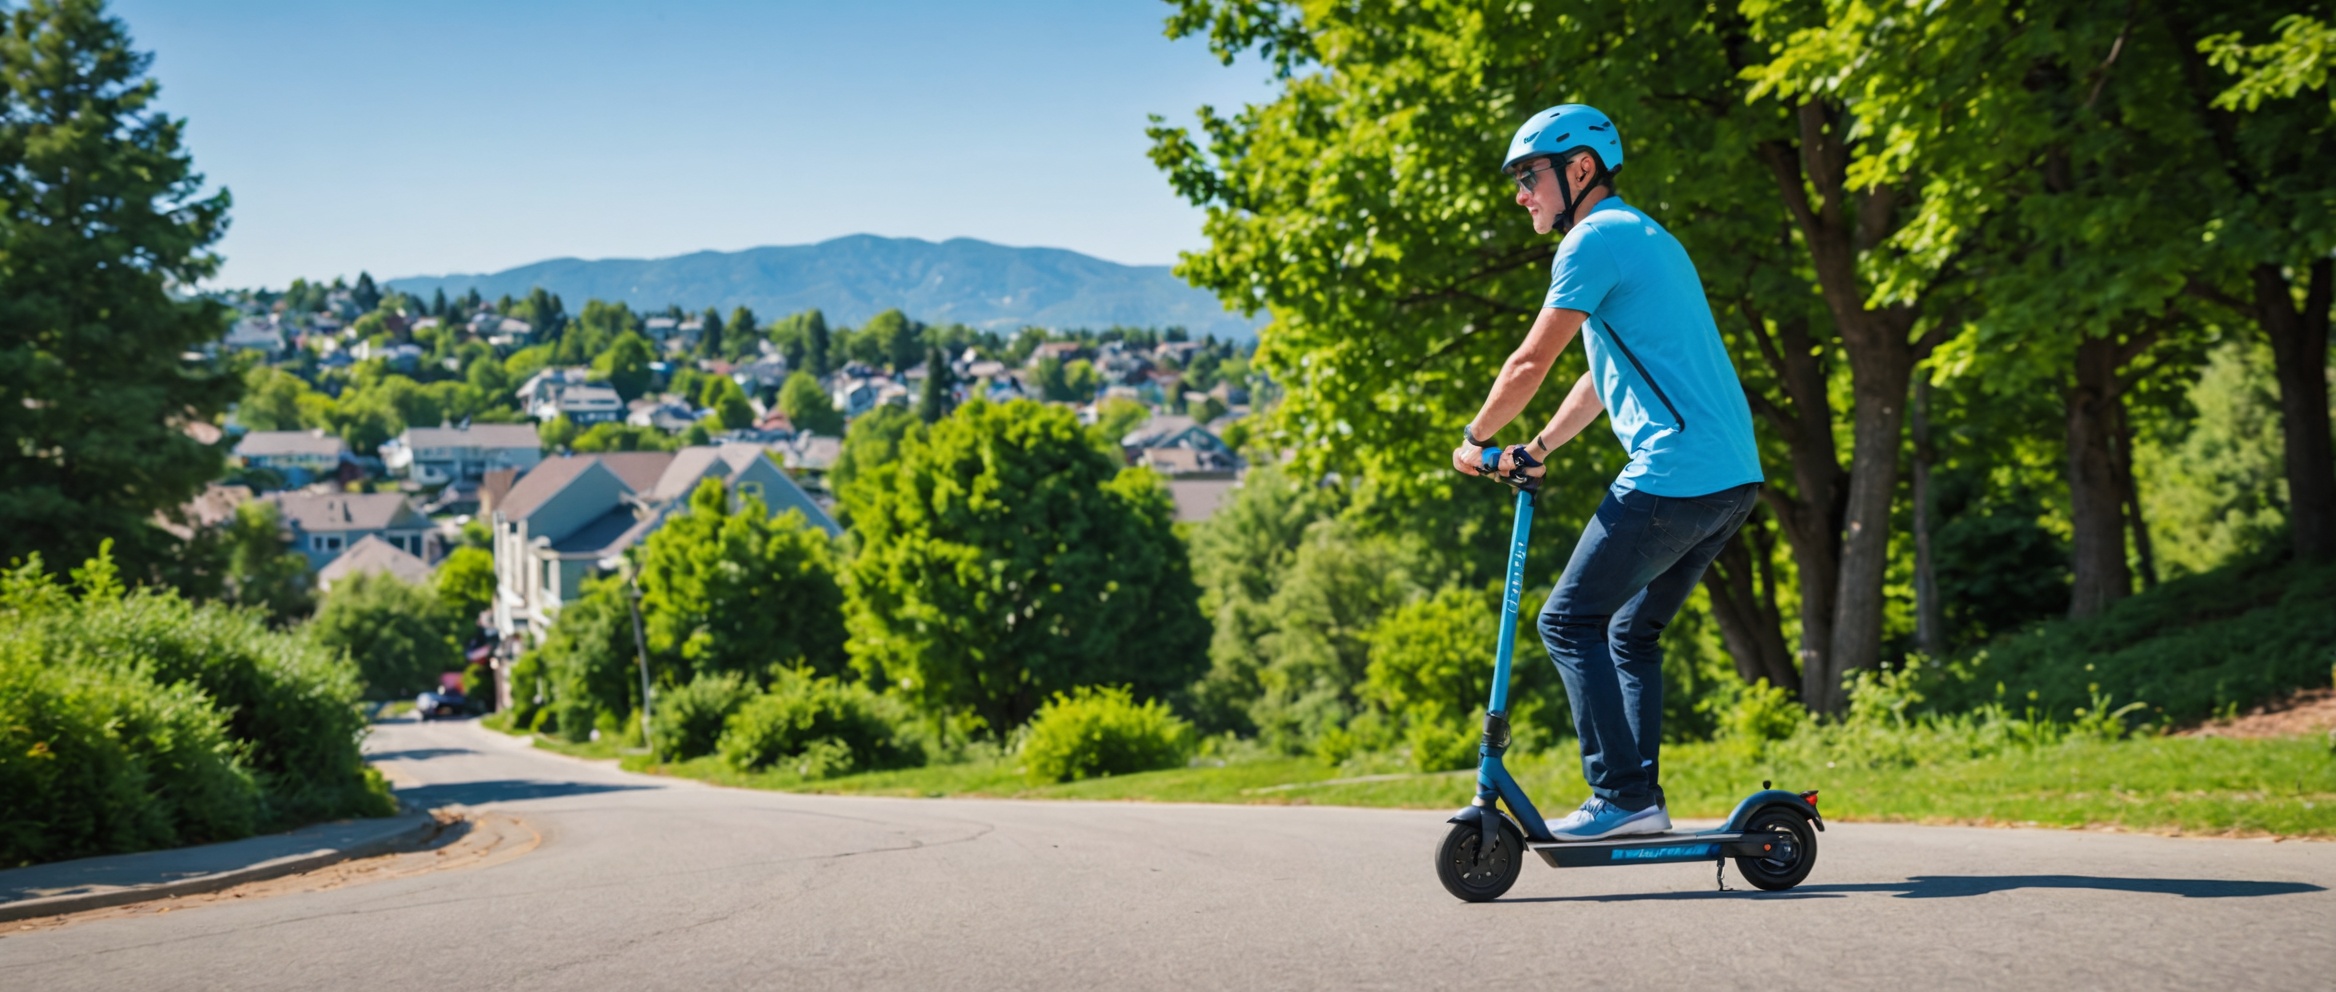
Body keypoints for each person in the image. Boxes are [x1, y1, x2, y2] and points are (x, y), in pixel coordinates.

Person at [1450, 104, 1764, 841]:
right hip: (1730, 479)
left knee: (1566, 621)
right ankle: (1638, 800)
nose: (1521, 194)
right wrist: (1541, 446)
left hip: (1676, 470)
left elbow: (1530, 362)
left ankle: (1622, 796)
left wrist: (1475, 439)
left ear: (1579, 168)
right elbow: (1602, 377)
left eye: (1529, 176)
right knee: (1629, 633)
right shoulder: (1642, 236)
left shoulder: (1591, 241)